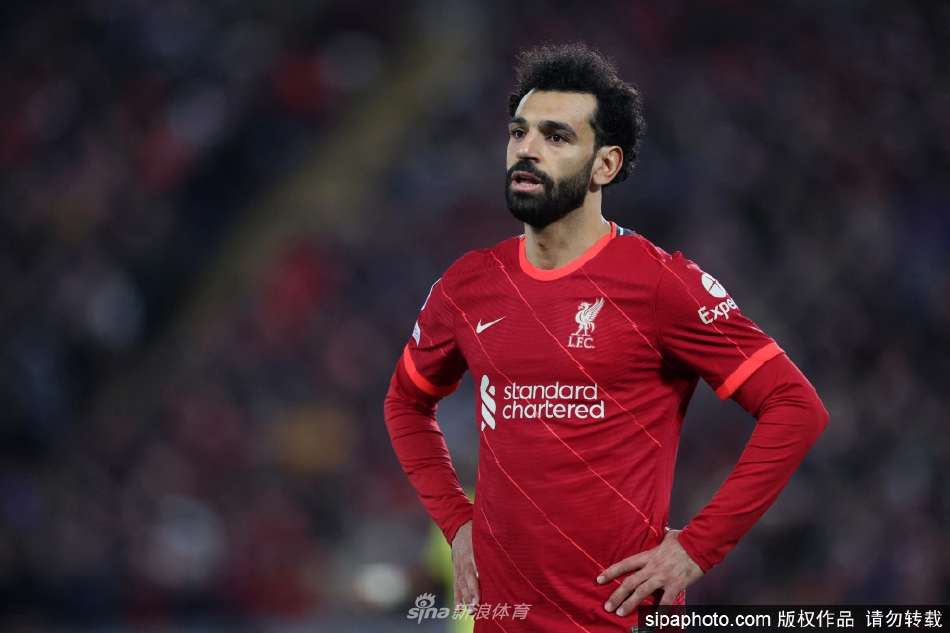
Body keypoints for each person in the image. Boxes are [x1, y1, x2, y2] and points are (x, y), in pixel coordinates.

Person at [384, 42, 828, 631]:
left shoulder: (660, 284)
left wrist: (698, 548)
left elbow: (795, 406)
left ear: (606, 166)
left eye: (557, 137)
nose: (527, 149)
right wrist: (457, 521)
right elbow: (406, 402)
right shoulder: (468, 285)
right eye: (519, 132)